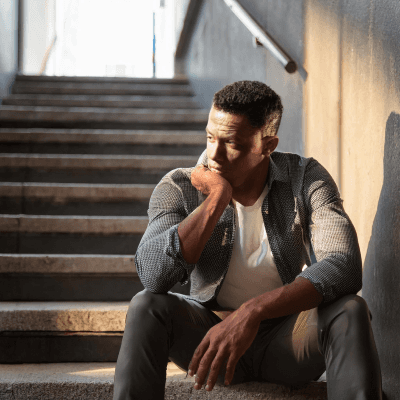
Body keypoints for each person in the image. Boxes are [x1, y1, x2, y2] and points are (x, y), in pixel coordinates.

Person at [113, 81, 383, 400]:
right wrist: (216, 198)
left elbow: (344, 266)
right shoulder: (178, 186)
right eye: (210, 137)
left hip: (285, 343)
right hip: (212, 342)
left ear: (267, 145)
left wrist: (252, 312)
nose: (214, 156)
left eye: (231, 144)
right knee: (146, 305)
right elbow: (154, 276)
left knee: (350, 309)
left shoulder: (305, 178)